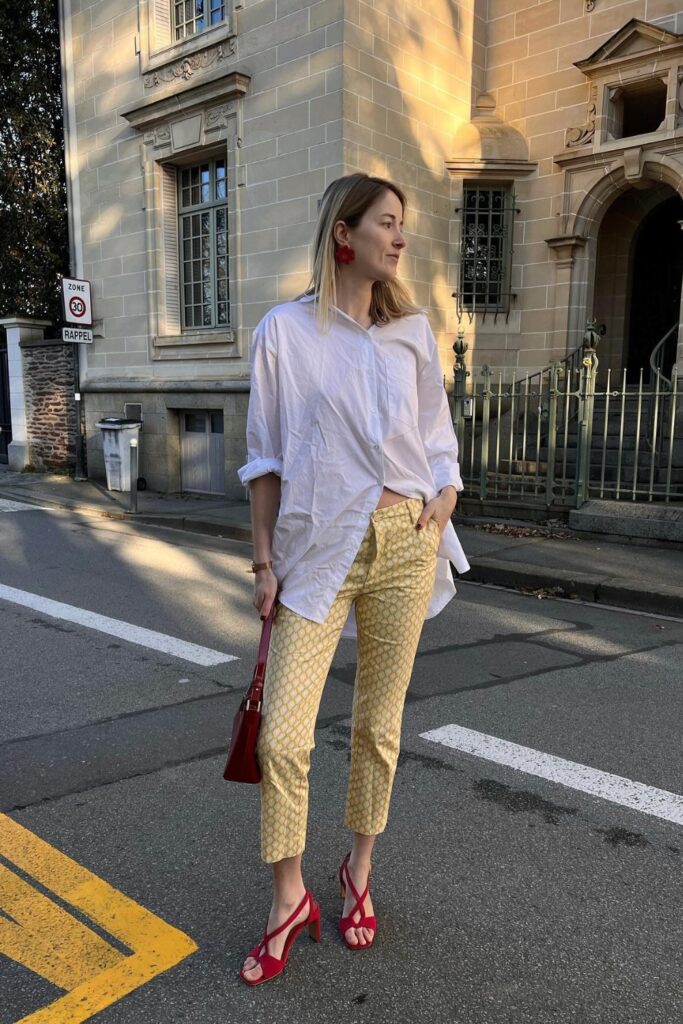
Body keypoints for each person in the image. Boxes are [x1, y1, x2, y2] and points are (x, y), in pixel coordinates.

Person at [236, 172, 470, 986]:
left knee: (378, 726)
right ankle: (288, 895)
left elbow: (436, 437)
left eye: (401, 226)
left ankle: (358, 874)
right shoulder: (284, 333)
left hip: (406, 543)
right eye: (386, 223)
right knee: (283, 737)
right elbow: (264, 456)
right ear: (345, 233)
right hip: (316, 550)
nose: (400, 239)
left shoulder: (409, 333)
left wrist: (441, 498)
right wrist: (263, 561)